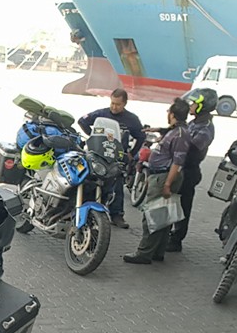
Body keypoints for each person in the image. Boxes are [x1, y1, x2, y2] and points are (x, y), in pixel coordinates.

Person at [123, 98, 192, 264]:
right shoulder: (177, 131)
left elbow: (177, 162)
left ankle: (144, 253)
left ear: (173, 114)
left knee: (152, 215)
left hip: (164, 177)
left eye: (169, 111)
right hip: (160, 175)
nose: (167, 114)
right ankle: (157, 251)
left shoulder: (180, 135)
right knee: (163, 215)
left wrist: (167, 183)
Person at [78, 88, 145, 229]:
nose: (114, 107)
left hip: (117, 157)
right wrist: (92, 136)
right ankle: (84, 208)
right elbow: (82, 121)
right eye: (112, 103)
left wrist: (132, 152)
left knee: (117, 184)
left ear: (125, 103)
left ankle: (116, 215)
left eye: (118, 104)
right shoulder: (101, 114)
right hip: (98, 155)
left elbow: (141, 136)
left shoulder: (132, 119)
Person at [166, 88, 217, 252]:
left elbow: (190, 148)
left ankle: (176, 240)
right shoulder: (194, 123)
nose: (191, 105)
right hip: (179, 167)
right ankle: (166, 235)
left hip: (188, 170)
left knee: (182, 206)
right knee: (171, 203)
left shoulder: (206, 128)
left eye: (194, 103)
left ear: (203, 106)